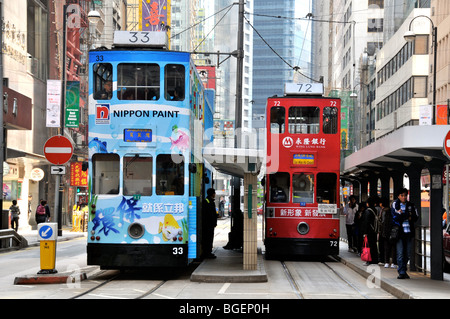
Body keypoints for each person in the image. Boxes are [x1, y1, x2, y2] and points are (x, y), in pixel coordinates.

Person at [391, 188, 418, 279]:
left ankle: (404, 269)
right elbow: (395, 217)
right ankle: (401, 272)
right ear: (398, 196)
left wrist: (403, 215)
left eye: (405, 195)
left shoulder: (411, 205)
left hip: (409, 233)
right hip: (399, 233)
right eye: (402, 195)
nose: (404, 197)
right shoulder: (395, 204)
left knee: (408, 253)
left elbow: (415, 217)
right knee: (400, 253)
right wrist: (407, 216)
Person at [361, 196, 379, 265]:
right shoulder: (375, 210)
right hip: (374, 230)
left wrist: (365, 232)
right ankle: (375, 260)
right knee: (374, 245)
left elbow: (366, 223)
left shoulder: (368, 211)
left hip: (369, 231)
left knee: (369, 246)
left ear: (368, 203)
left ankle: (369, 260)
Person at [380, 197, 396, 268]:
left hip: (386, 231)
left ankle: (387, 262)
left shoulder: (384, 211)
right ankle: (393, 262)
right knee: (393, 247)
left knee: (386, 247)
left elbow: (383, 222)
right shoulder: (392, 211)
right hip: (393, 231)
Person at [202, 188, 218, 259]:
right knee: (208, 238)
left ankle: (208, 252)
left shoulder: (208, 200)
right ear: (212, 194)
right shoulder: (208, 201)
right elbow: (210, 213)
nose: (215, 194)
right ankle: (207, 252)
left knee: (208, 238)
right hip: (209, 224)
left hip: (208, 223)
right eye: (214, 193)